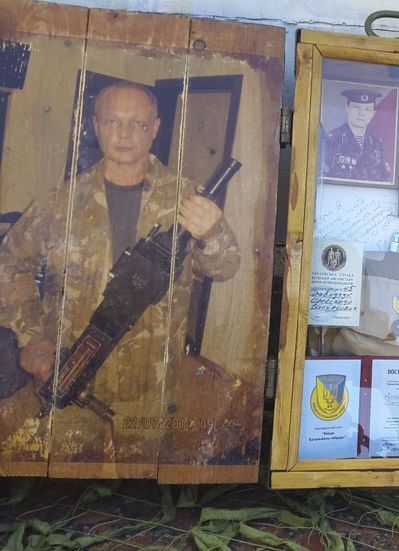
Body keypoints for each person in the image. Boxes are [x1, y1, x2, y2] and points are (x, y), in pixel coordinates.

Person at [0, 81, 240, 464]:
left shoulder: (186, 199)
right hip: (71, 369)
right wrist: (32, 338)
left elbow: (224, 267)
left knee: (140, 484)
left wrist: (212, 234)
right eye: (113, 121)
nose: (124, 134)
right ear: (96, 125)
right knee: (61, 481)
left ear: (154, 128)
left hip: (151, 381)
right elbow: (11, 263)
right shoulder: (61, 201)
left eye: (137, 123)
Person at [319, 88, 391, 182]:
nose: (361, 114)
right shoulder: (331, 139)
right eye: (356, 107)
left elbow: (385, 179)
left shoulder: (377, 143)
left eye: (367, 109)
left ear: (373, 114)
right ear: (347, 108)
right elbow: (321, 177)